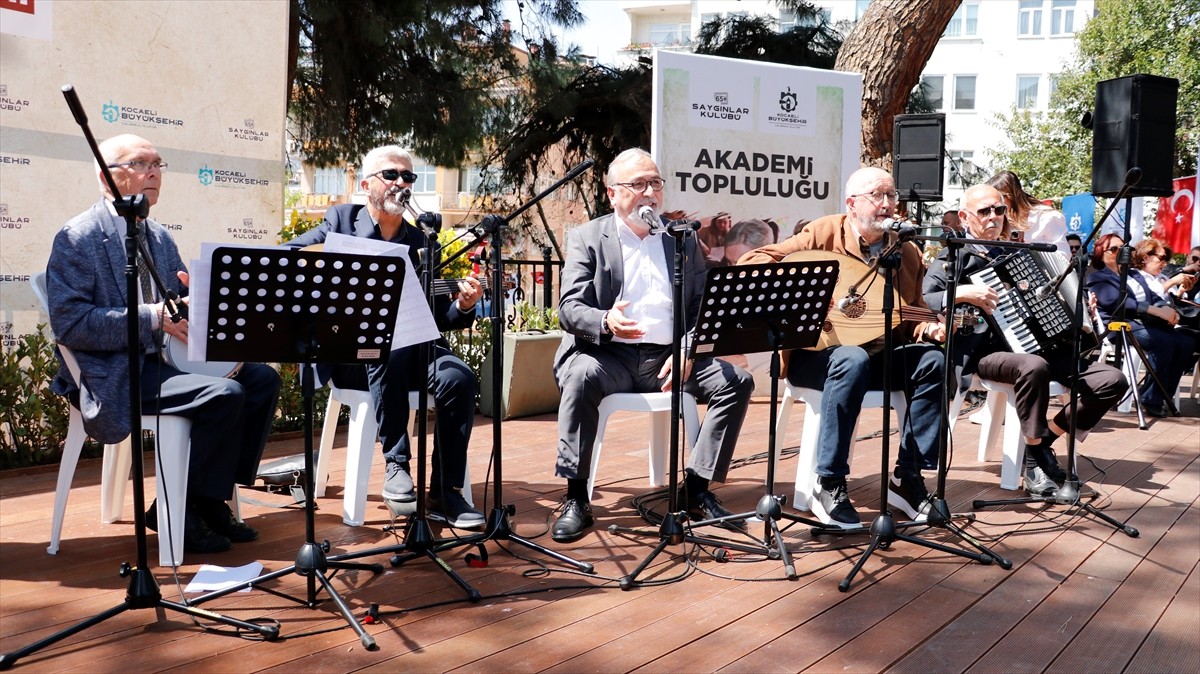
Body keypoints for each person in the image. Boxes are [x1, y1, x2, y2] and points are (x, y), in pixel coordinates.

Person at [46, 134, 281, 554]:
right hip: (114, 370)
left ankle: (206, 499)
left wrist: (201, 301)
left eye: (158, 164)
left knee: (262, 379)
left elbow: (175, 305)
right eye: (140, 164)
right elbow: (71, 324)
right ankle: (184, 509)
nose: (153, 172)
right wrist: (154, 317)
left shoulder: (158, 236)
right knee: (223, 393)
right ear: (107, 177)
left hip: (162, 361)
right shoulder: (77, 237)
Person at [551, 148, 754, 542]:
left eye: (656, 184)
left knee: (736, 382)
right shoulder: (588, 237)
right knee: (579, 377)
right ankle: (577, 497)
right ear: (612, 193)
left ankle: (696, 488)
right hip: (609, 356)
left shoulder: (681, 239)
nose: (650, 193)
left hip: (670, 357)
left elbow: (699, 307)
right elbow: (569, 309)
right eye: (638, 184)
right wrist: (605, 321)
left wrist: (687, 349)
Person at [284, 145, 485, 528]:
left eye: (408, 177)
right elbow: (290, 255)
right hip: (352, 354)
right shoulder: (341, 219)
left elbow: (435, 315)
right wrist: (337, 263)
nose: (401, 183)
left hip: (416, 348)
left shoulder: (421, 239)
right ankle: (396, 464)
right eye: (391, 175)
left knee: (459, 378)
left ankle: (445, 491)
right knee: (385, 345)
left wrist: (462, 306)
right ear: (366, 184)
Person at [738, 167, 946, 528]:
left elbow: (911, 312)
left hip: (880, 356)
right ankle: (829, 481)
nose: (887, 204)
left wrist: (929, 327)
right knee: (851, 357)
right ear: (851, 204)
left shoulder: (906, 250)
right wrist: (812, 295)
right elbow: (753, 262)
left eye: (891, 196)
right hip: (818, 357)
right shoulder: (823, 233)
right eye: (876, 196)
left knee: (932, 361)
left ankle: (907, 477)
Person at [923, 185, 1128, 495]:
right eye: (984, 211)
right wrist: (965, 292)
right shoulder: (957, 253)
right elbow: (929, 296)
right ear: (965, 216)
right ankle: (1036, 465)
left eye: (999, 210)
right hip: (986, 352)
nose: (994, 217)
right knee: (1032, 366)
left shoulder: (1020, 252)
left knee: (1111, 380)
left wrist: (1079, 306)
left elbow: (1047, 298)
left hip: (1040, 345)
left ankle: (1039, 445)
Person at [1088, 236, 1194, 417]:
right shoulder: (1098, 277)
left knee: (1186, 342)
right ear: (1101, 253)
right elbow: (1117, 302)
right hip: (1119, 326)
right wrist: (1156, 311)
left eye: (1123, 248)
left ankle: (1163, 395)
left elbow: (1153, 297)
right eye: (1114, 249)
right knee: (1164, 342)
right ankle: (1150, 399)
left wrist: (1168, 310)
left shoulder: (1133, 275)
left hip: (1145, 324)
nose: (1120, 252)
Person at [986, 170, 1069, 254]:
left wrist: (1031, 255)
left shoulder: (1047, 217)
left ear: (1011, 196)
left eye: (999, 198)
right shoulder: (998, 219)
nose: (995, 204)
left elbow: (1063, 255)